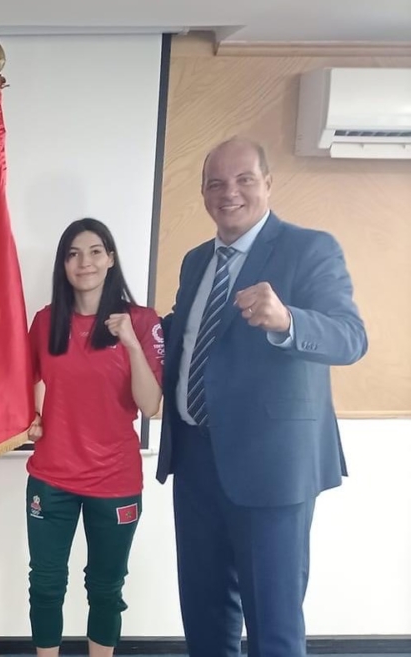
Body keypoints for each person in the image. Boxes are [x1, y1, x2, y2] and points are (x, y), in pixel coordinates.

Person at [155, 138, 367, 657]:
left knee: (273, 625)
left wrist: (288, 320)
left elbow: (350, 337)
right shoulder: (195, 261)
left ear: (268, 184)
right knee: (204, 616)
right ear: (203, 193)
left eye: (244, 180)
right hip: (194, 461)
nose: (229, 192)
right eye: (215, 183)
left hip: (272, 468)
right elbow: (186, 337)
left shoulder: (309, 248)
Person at [23, 218, 164, 657]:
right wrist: (31, 416)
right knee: (45, 585)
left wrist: (132, 344)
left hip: (115, 480)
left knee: (105, 588)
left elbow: (151, 405)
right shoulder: (46, 322)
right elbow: (22, 381)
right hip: (52, 476)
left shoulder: (141, 321)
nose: (84, 262)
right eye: (73, 254)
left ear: (111, 259)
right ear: (63, 265)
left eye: (95, 251)